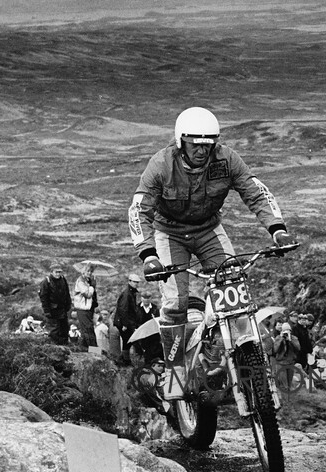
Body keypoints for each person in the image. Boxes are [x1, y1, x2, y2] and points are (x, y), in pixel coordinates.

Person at [129, 106, 296, 399]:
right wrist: (148, 254)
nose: (202, 152)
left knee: (233, 292)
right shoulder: (161, 165)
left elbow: (255, 191)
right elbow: (139, 209)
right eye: (195, 145)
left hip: (209, 230)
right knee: (176, 302)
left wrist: (277, 229)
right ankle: (176, 369)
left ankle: (224, 356)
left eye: (208, 145)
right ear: (181, 142)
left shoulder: (227, 159)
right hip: (169, 234)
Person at [113, 272, 143, 364]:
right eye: (135, 282)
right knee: (128, 340)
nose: (136, 284)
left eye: (137, 282)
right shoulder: (127, 294)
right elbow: (123, 309)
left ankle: (123, 359)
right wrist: (125, 324)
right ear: (129, 281)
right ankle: (125, 360)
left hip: (127, 322)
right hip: (125, 323)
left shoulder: (130, 292)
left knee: (128, 341)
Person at [38, 262, 71, 345]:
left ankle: (64, 346)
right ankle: (55, 348)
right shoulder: (46, 282)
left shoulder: (63, 280)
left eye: (59, 272)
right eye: (56, 272)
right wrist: (47, 311)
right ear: (51, 272)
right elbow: (43, 298)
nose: (58, 274)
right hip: (52, 310)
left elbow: (67, 293)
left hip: (62, 309)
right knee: (54, 330)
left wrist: (68, 304)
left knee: (64, 329)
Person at [73, 265, 99, 348]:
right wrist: (92, 286)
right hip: (82, 308)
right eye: (88, 271)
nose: (90, 273)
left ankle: (83, 348)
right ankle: (93, 348)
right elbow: (87, 294)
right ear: (83, 272)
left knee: (87, 329)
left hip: (88, 308)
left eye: (91, 271)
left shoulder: (87, 281)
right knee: (88, 329)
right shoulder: (80, 281)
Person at [273, 322, 302, 392]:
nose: (286, 332)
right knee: (284, 384)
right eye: (284, 330)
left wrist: (290, 340)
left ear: (290, 331)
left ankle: (289, 397)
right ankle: (285, 398)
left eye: (288, 330)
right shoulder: (278, 338)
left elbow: (298, 348)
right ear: (281, 331)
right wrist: (281, 339)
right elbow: (275, 350)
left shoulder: (294, 338)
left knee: (289, 382)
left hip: (290, 362)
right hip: (281, 363)